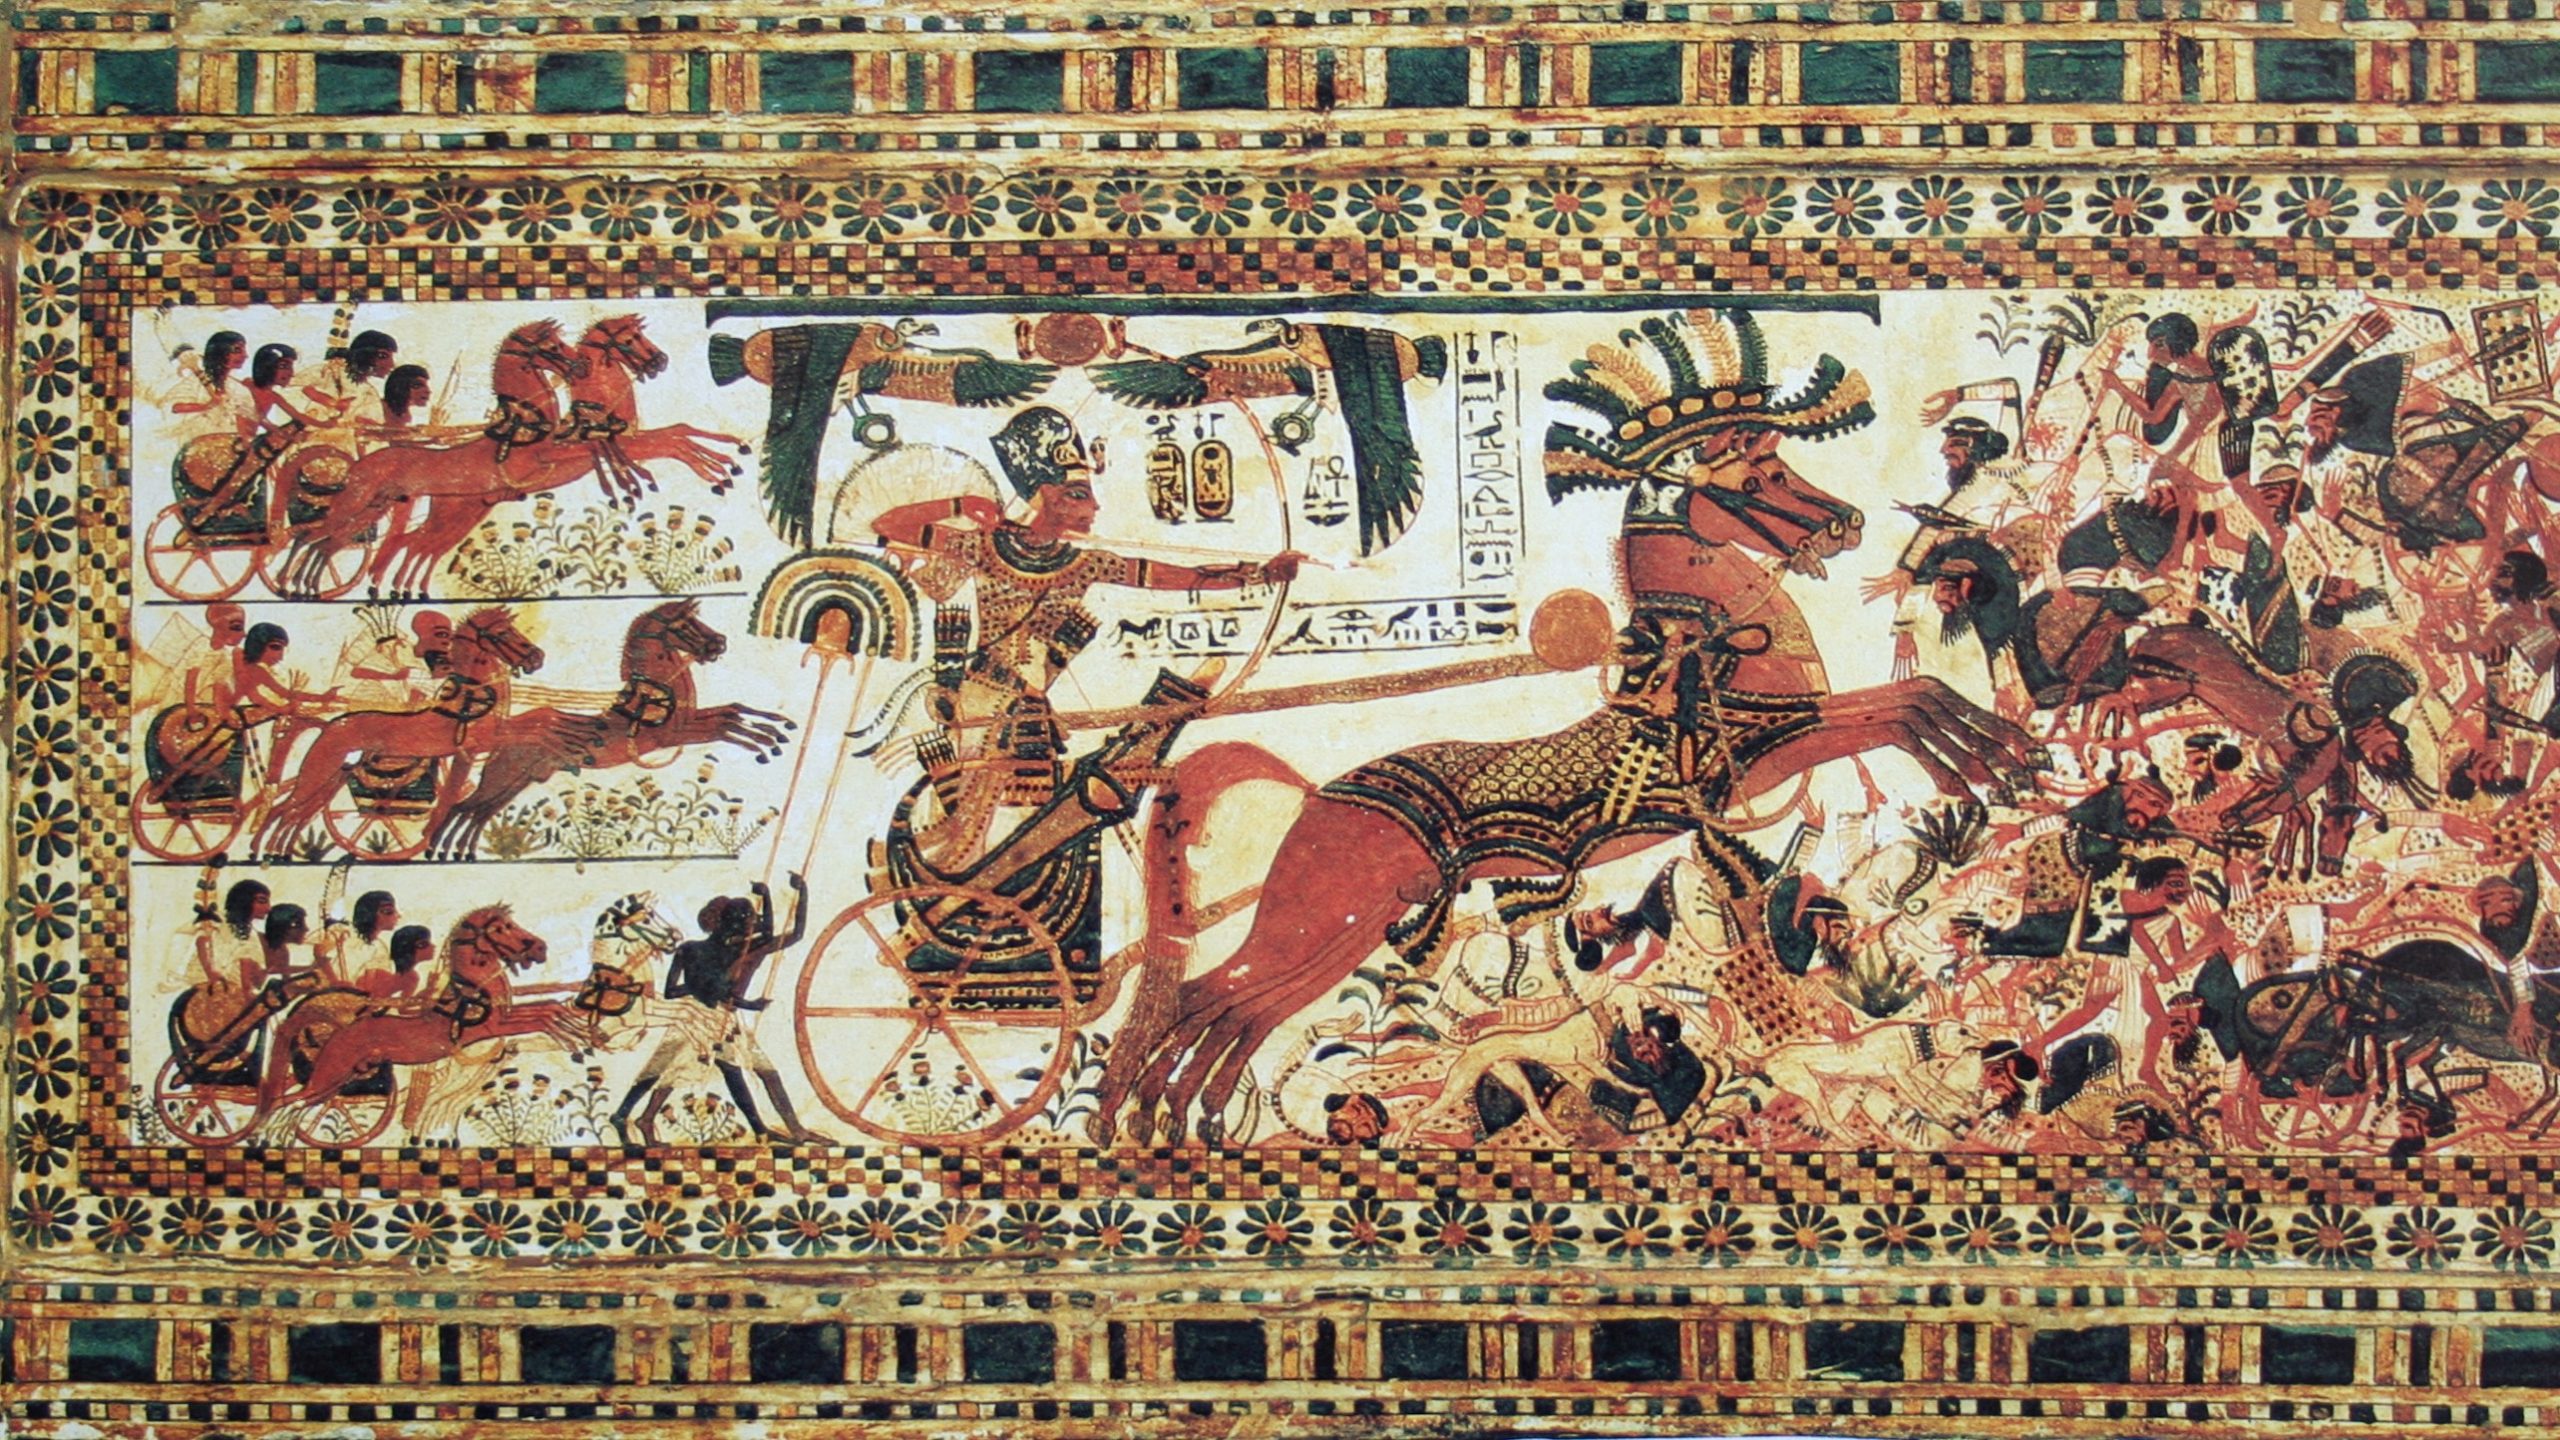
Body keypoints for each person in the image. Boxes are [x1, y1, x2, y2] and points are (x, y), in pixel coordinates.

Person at [870, 407, 1303, 867]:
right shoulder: (983, 546)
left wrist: (1257, 574)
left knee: (1034, 822)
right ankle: (947, 880)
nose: (1093, 508)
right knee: (974, 821)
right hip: (984, 701)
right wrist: (960, 506)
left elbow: (1179, 577)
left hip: (1031, 704)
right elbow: (887, 527)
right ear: (1045, 495)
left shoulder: (1086, 564)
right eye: (1078, 495)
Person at [615, 876, 818, 1145]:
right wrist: (784, 894)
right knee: (684, 1068)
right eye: (749, 923)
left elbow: (774, 934)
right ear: (732, 925)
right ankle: (766, 1130)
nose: (753, 928)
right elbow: (777, 935)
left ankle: (638, 1117)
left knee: (675, 1067)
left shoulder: (709, 949)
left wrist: (778, 895)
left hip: (713, 1016)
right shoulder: (726, 951)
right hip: (703, 1018)